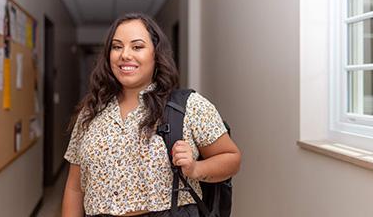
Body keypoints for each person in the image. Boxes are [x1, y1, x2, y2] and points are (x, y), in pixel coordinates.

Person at [62, 13, 241, 217]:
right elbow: (75, 188)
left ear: (156, 54)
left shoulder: (187, 106)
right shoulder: (92, 111)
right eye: (117, 46)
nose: (125, 55)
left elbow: (231, 158)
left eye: (137, 47)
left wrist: (195, 169)